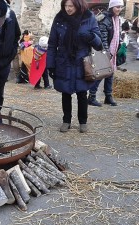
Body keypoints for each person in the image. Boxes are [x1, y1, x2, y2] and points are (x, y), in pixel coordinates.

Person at [47, 0, 103, 133]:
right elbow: (52, 44)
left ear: (78, 5)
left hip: (82, 62)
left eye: (70, 6)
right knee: (66, 92)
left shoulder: (89, 18)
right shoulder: (59, 18)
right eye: (65, 6)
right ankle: (66, 121)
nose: (68, 9)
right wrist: (51, 65)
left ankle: (83, 122)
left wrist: (90, 37)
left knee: (82, 93)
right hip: (63, 61)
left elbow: (99, 44)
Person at [87, 0, 125, 107]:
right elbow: (102, 38)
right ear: (112, 7)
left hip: (112, 50)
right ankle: (91, 97)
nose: (119, 9)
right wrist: (107, 52)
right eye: (117, 7)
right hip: (103, 50)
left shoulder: (117, 19)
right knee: (101, 73)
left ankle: (108, 96)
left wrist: (121, 44)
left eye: (121, 7)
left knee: (110, 73)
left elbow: (117, 35)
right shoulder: (104, 19)